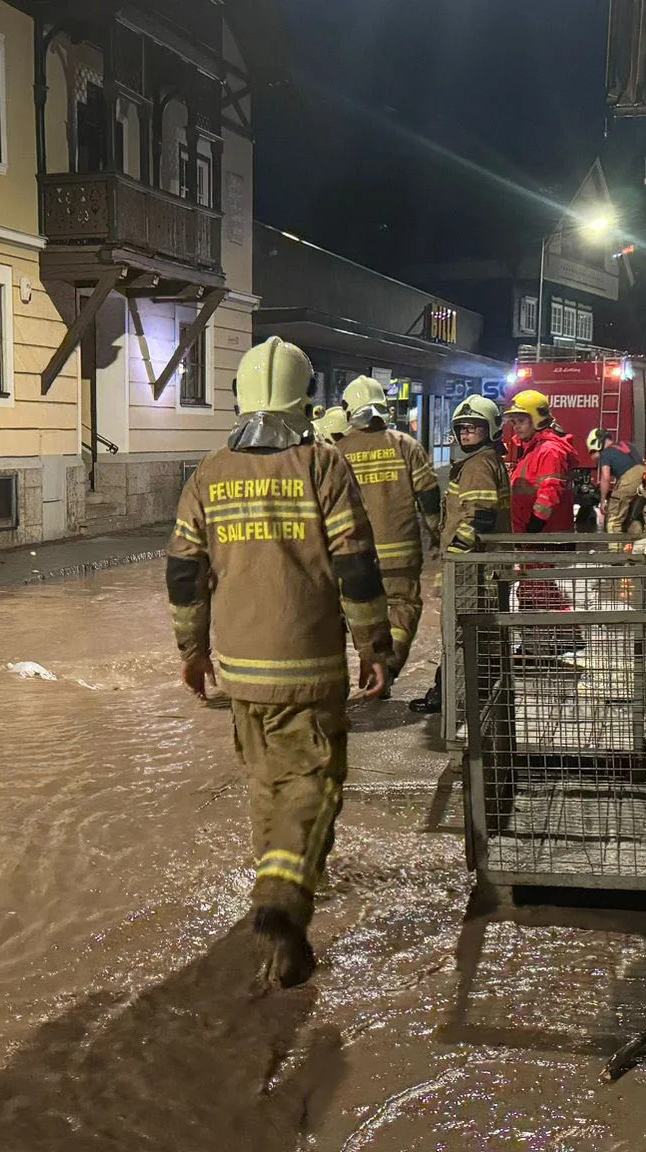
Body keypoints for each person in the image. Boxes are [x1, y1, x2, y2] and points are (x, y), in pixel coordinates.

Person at [168, 336, 392, 988]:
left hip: (238, 672)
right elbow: (355, 564)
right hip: (309, 666)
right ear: (306, 396)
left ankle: (281, 940)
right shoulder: (322, 466)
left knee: (267, 784)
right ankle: (279, 902)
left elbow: (184, 573)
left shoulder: (208, 473)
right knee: (314, 784)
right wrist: (374, 645)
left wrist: (191, 650)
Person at [409, 396, 512, 714]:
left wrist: (454, 554)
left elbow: (478, 516)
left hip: (470, 568)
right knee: (476, 635)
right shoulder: (485, 461)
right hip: (485, 566)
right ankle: (463, 692)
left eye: (474, 428)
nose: (466, 433)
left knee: (459, 635)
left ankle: (454, 700)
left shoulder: (478, 465)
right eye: (462, 428)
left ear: (490, 430)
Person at [335, 377, 441, 684]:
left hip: (353, 556)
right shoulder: (405, 445)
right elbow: (429, 497)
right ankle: (388, 669)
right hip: (401, 552)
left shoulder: (337, 450)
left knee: (352, 612)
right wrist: (438, 537)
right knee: (402, 607)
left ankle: (362, 668)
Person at [504, 389, 576, 534]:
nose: (516, 427)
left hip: (545, 537)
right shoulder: (530, 449)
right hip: (532, 535)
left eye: (521, 421)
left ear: (537, 419)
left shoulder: (549, 450)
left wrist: (535, 524)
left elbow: (550, 490)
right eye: (514, 422)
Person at [586, 428, 645, 539]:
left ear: (597, 444)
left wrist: (603, 500)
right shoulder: (626, 444)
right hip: (645, 478)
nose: (593, 456)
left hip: (629, 479)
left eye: (593, 452)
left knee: (614, 520)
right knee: (633, 517)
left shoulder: (605, 454)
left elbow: (606, 477)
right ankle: (640, 547)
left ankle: (616, 553)